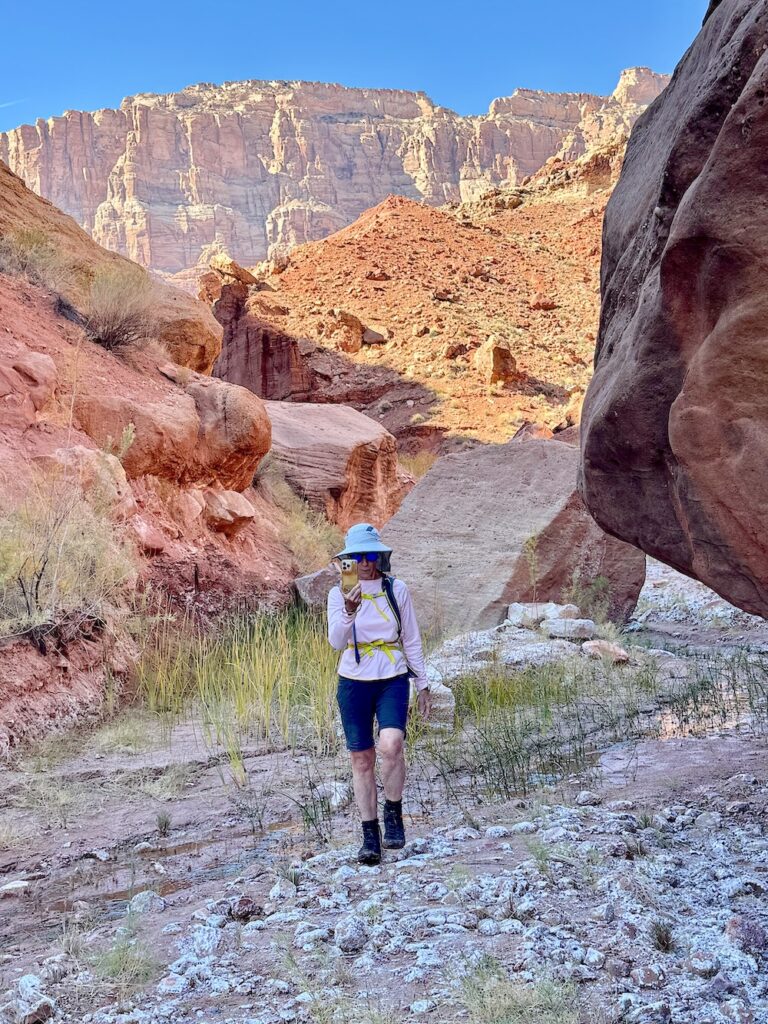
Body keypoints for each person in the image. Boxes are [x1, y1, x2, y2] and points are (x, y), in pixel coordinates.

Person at [327, 522, 431, 865]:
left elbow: (411, 639)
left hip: (392, 676)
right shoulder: (337, 594)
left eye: (371, 555)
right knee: (361, 758)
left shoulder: (396, 589)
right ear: (348, 560)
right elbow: (336, 642)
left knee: (391, 745)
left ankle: (393, 815)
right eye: (357, 556)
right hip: (353, 680)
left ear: (380, 556)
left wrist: (423, 684)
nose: (365, 562)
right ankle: (370, 835)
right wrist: (349, 611)